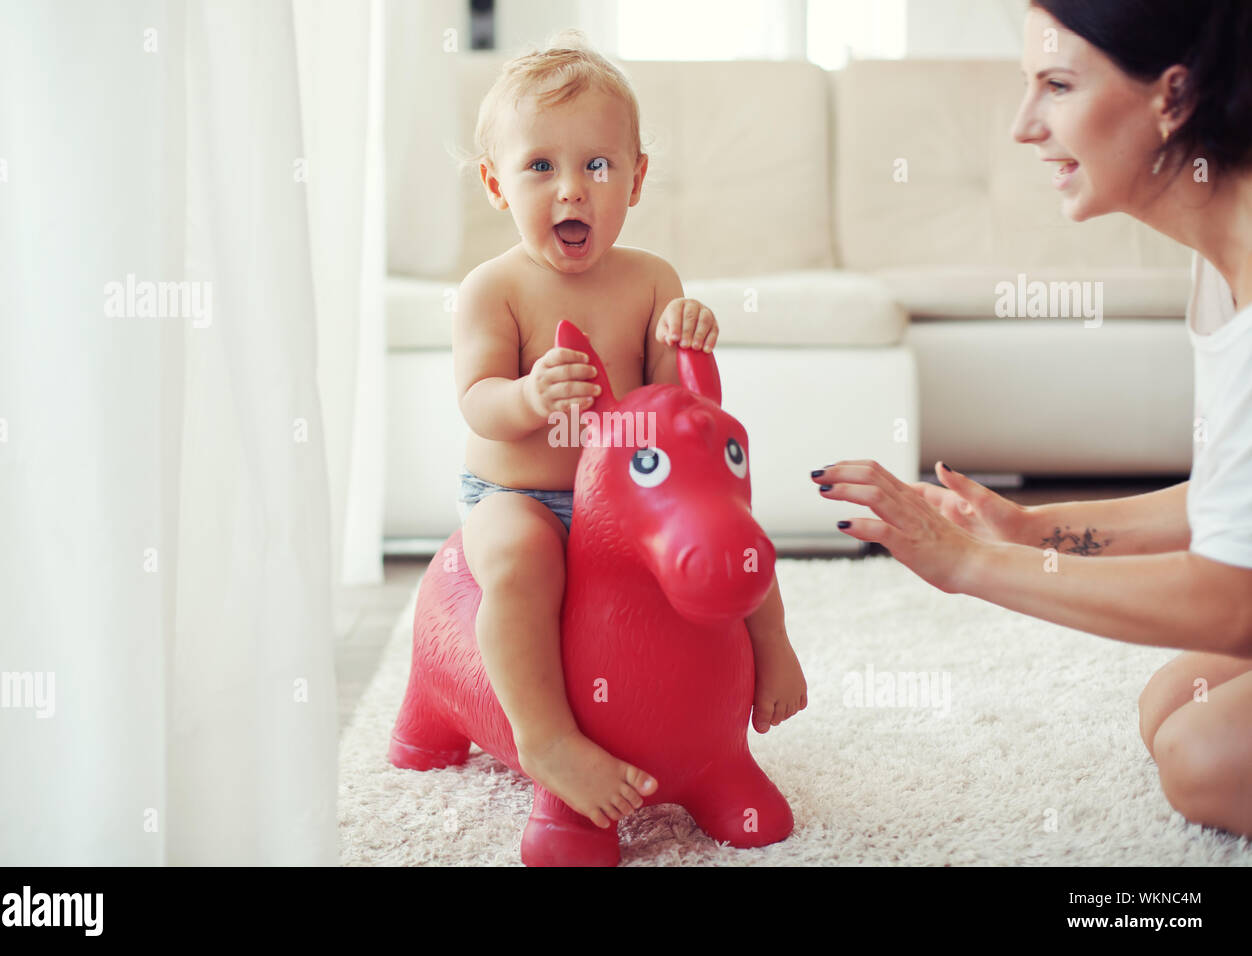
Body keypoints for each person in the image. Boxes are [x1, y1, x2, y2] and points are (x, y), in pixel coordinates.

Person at [819, 0, 1252, 837]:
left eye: (1055, 86)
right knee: (1169, 707)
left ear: (1175, 95)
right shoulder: (1220, 255)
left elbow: (1231, 600)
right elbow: (1234, 505)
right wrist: (1026, 530)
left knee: (1204, 759)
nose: (1024, 126)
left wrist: (971, 565)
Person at [450, 29, 808, 830]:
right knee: (518, 561)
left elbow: (670, 408)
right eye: (540, 166)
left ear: (636, 179)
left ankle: (774, 646)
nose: (571, 191)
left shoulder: (652, 279)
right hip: (525, 493)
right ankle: (546, 739)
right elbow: (476, 400)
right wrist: (530, 396)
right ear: (496, 185)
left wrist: (687, 337)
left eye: (597, 165)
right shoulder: (493, 288)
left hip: (627, 500)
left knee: (720, 519)